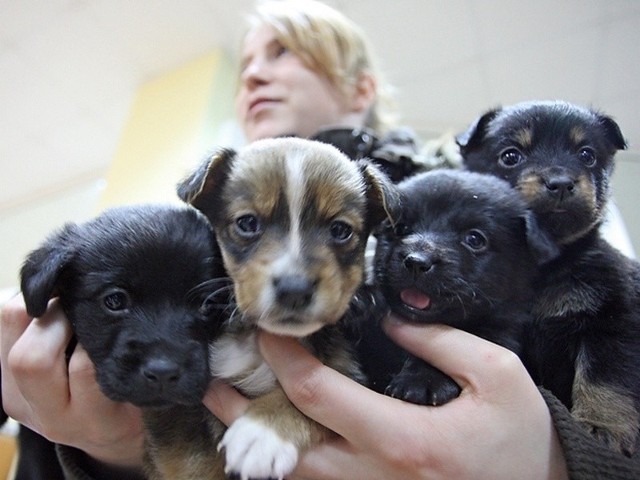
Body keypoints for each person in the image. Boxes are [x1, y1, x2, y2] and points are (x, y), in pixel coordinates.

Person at [1, 1, 638, 479]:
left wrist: (561, 460)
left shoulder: (448, 192)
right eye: (245, 65)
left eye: (282, 54)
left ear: (362, 87)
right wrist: (114, 450)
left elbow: (598, 319)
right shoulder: (189, 219)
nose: (252, 76)